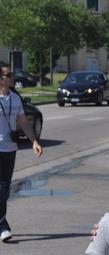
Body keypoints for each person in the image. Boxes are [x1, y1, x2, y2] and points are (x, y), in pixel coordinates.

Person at [0, 61, 43, 243]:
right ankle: (3, 226)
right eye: (8, 75)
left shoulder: (15, 98)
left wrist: (34, 141)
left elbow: (24, 122)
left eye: (11, 74)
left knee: (5, 189)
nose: (12, 77)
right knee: (1, 187)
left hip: (10, 148)